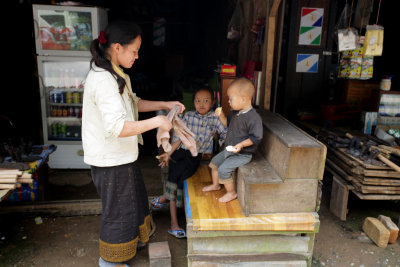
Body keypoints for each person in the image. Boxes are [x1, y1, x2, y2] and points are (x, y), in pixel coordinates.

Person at [82, 21, 185, 267]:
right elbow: (117, 127)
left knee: (133, 204)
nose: (138, 56)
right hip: (110, 160)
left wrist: (166, 104)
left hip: (122, 157)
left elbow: (133, 104)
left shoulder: (117, 73)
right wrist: (158, 121)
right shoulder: (104, 80)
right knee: (118, 214)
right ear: (117, 47)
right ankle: (109, 262)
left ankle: (133, 244)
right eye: (134, 50)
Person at [152, 88, 227, 238]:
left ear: (212, 103)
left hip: (194, 157)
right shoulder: (189, 115)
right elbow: (179, 137)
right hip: (179, 154)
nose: (201, 104)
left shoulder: (214, 118)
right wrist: (168, 154)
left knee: (178, 184)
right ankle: (174, 224)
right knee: (174, 184)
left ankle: (164, 198)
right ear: (193, 102)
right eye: (198, 100)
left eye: (206, 101)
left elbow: (226, 133)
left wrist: (223, 116)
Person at [202, 77, 263, 203]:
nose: (228, 101)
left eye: (231, 99)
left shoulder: (253, 118)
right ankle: (216, 185)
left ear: (244, 99)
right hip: (230, 150)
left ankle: (231, 193)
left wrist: (241, 145)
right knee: (214, 163)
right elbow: (226, 124)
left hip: (243, 154)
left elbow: (256, 137)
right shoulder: (235, 113)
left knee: (224, 169)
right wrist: (221, 115)